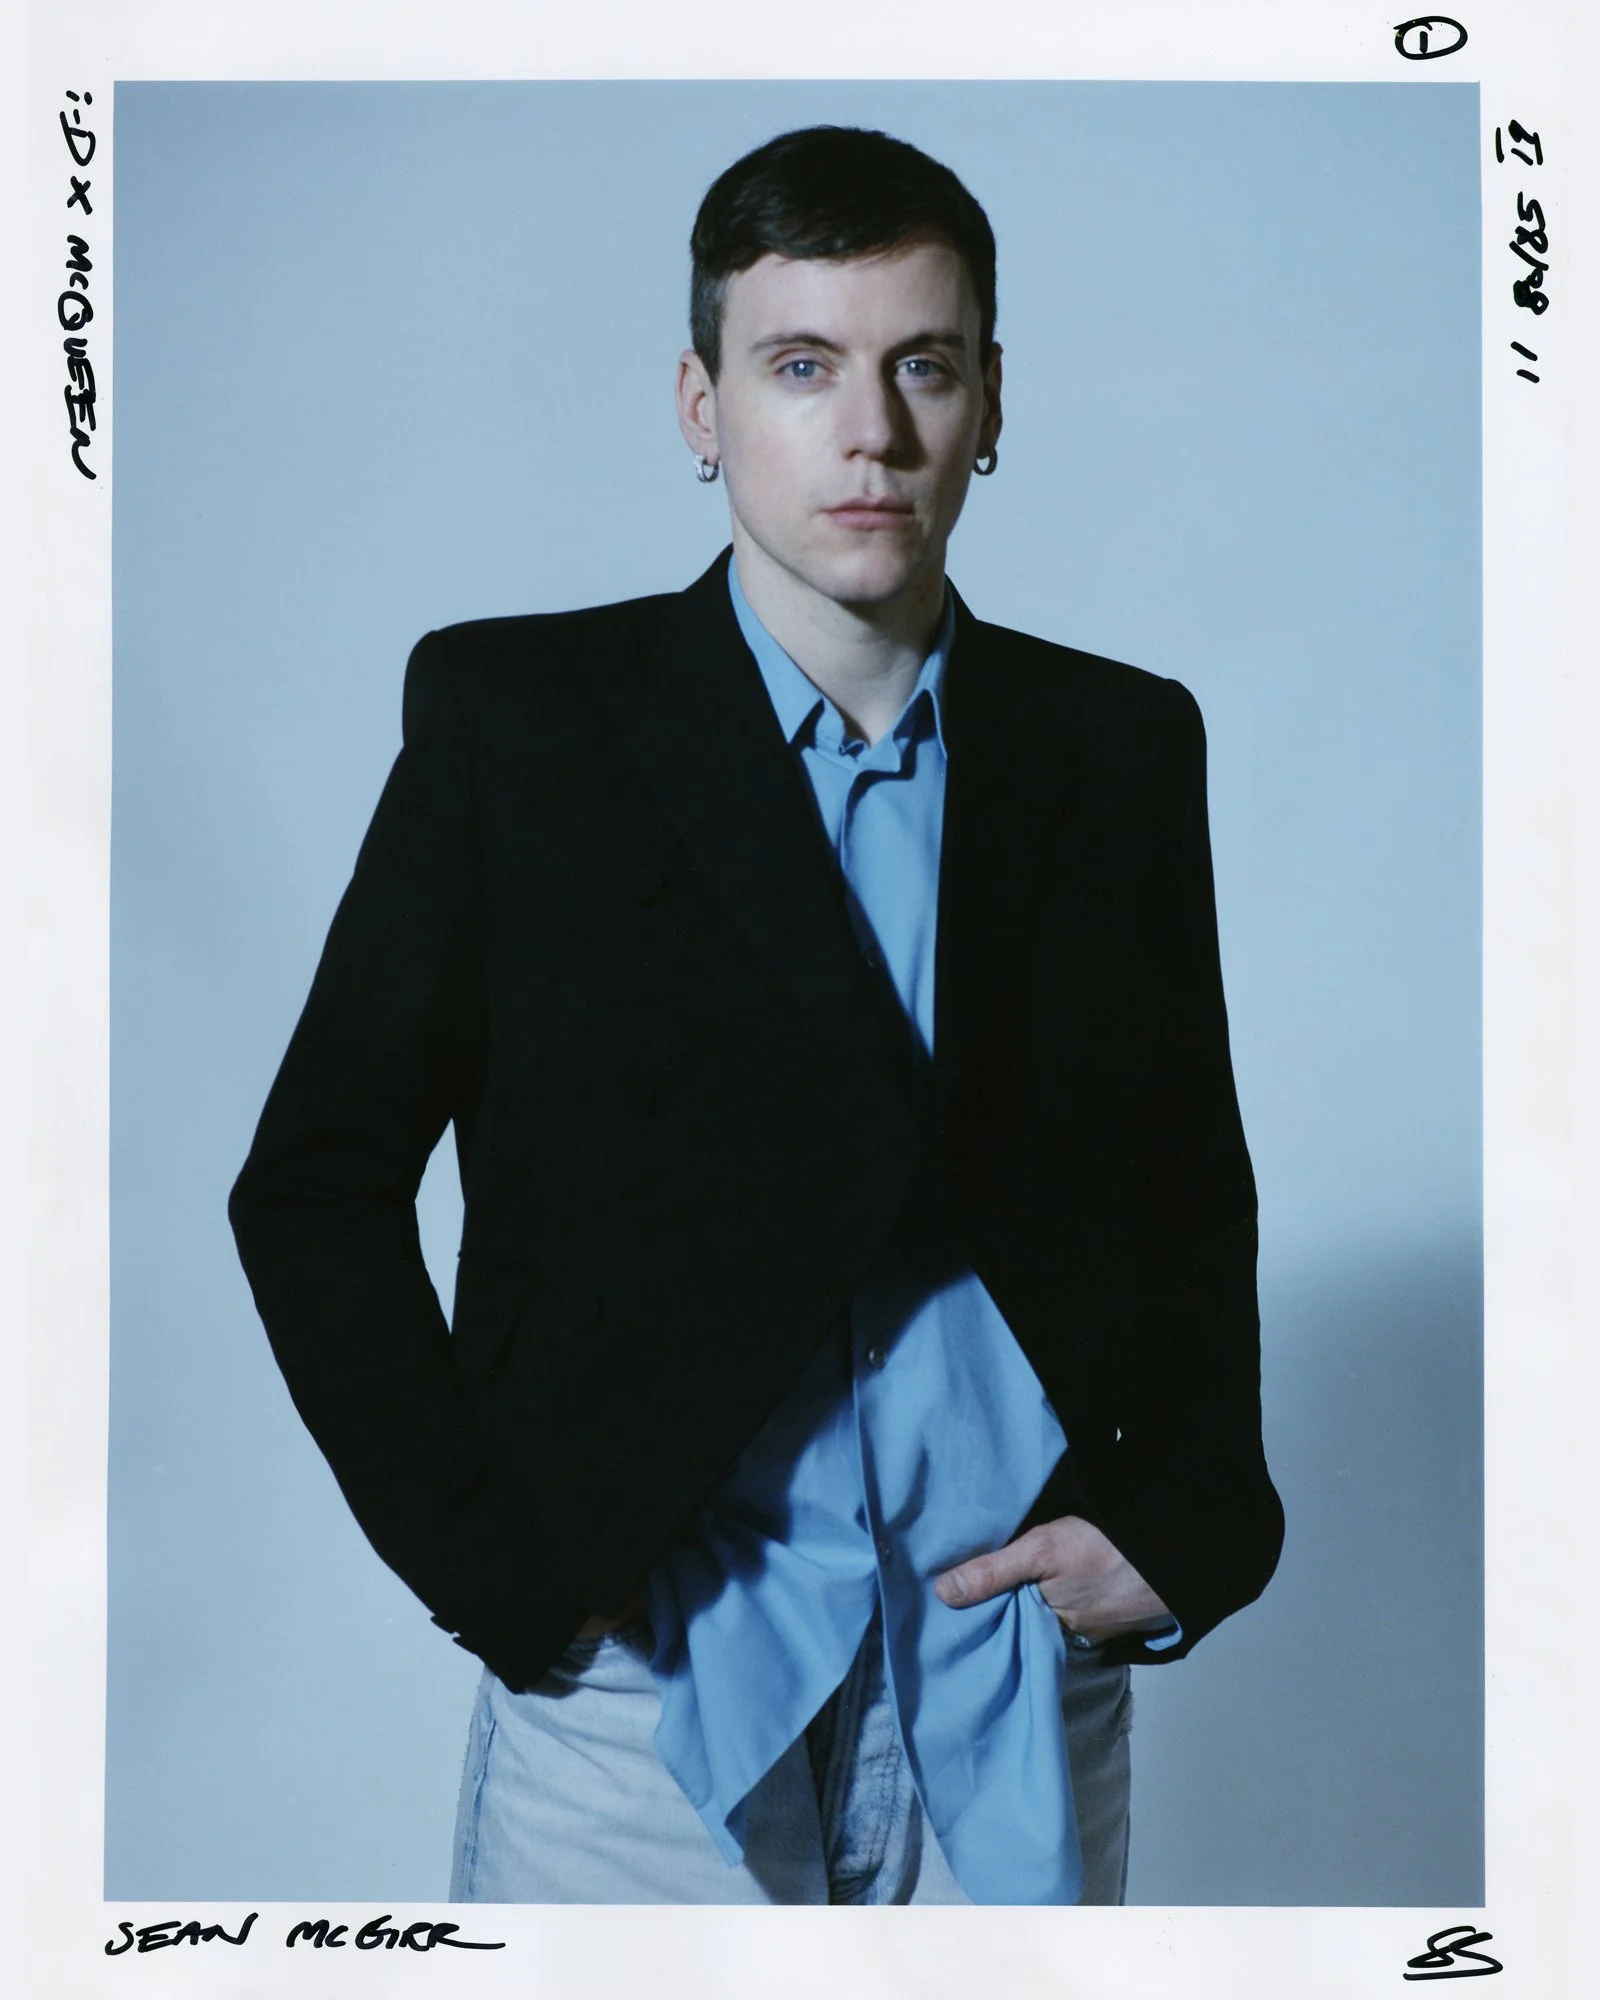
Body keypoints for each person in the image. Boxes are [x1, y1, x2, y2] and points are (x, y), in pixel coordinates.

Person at [229, 124, 1283, 1907]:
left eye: (921, 364)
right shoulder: (525, 726)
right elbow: (312, 1185)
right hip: (641, 1706)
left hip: (1007, 1680)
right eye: (802, 367)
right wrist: (502, 1564)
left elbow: (1186, 1181)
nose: (869, 430)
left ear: (992, 404)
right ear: (703, 406)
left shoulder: (1118, 746)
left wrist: (1184, 1534)